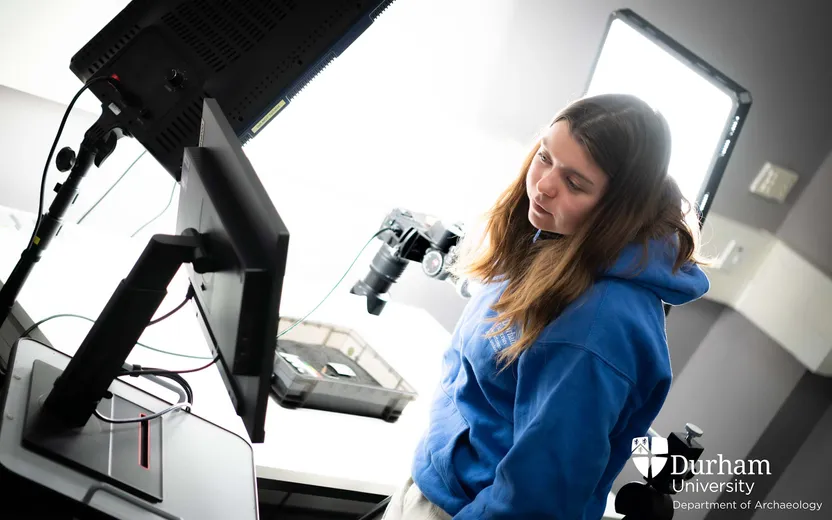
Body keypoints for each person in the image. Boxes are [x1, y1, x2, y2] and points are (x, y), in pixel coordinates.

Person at [381, 93, 711, 520]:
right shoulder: (556, 241)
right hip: (439, 483)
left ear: (618, 210)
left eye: (575, 183)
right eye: (544, 156)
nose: (544, 185)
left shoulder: (596, 327)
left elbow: (533, 505)